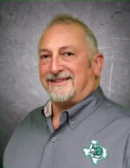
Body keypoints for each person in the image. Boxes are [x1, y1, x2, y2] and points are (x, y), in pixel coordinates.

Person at [3, 14, 130, 168]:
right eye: (45, 56)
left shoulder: (125, 132)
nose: (54, 67)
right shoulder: (26, 126)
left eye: (67, 54)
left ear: (96, 64)